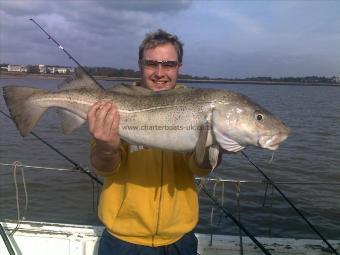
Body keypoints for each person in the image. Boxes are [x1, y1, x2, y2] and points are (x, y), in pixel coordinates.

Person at [88, 29, 217, 255]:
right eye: (151, 64)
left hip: (179, 238)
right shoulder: (116, 104)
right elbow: (104, 167)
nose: (160, 73)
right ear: (140, 65)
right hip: (122, 240)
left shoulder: (198, 106)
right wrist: (106, 147)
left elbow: (200, 168)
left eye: (168, 64)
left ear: (179, 67)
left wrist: (215, 146)